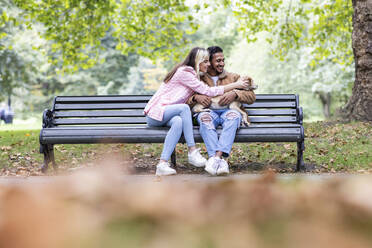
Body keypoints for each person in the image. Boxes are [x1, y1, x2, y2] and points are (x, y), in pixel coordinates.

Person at [144, 47, 251, 176]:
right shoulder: (185, 72)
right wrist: (236, 85)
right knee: (185, 109)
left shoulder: (197, 75)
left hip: (167, 113)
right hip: (157, 113)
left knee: (178, 122)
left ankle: (162, 163)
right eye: (205, 61)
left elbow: (250, 95)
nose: (208, 64)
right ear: (198, 61)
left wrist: (235, 92)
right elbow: (209, 92)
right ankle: (192, 150)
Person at [187, 46, 256, 176]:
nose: (222, 63)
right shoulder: (198, 78)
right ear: (209, 61)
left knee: (233, 117)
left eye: (223, 60)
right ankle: (220, 161)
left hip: (228, 111)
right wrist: (196, 97)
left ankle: (216, 158)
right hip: (208, 111)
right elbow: (185, 98)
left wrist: (235, 94)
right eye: (218, 61)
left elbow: (252, 97)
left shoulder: (234, 77)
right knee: (204, 119)